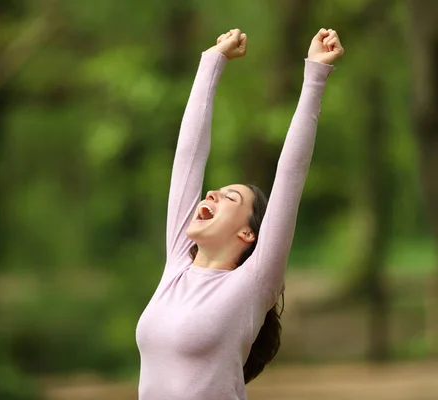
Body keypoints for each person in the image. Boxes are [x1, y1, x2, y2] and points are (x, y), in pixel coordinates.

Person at [135, 27, 344, 400]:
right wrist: (212, 61)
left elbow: (290, 175)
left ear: (248, 234)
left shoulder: (253, 282)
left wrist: (315, 76)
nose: (212, 193)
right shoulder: (177, 266)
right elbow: (188, 159)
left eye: (230, 197)